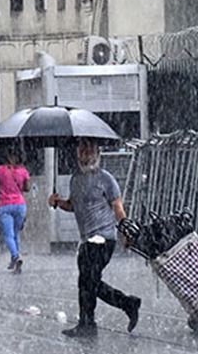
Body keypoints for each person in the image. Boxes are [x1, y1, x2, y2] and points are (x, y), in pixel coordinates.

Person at [49, 139, 141, 337]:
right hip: (86, 240)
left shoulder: (105, 178)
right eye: (82, 150)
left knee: (87, 281)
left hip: (103, 239)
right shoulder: (75, 179)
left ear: (97, 153)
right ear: (77, 153)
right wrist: (57, 203)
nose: (86, 154)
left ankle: (88, 324)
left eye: (90, 150)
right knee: (88, 282)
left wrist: (126, 233)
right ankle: (126, 304)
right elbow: (73, 206)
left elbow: (117, 207)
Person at [0, 147, 30, 274]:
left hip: (4, 205)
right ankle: (15, 261)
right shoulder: (23, 171)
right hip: (20, 205)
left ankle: (15, 256)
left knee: (8, 235)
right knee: (16, 234)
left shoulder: (0, 170)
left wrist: (1, 186)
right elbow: (27, 188)